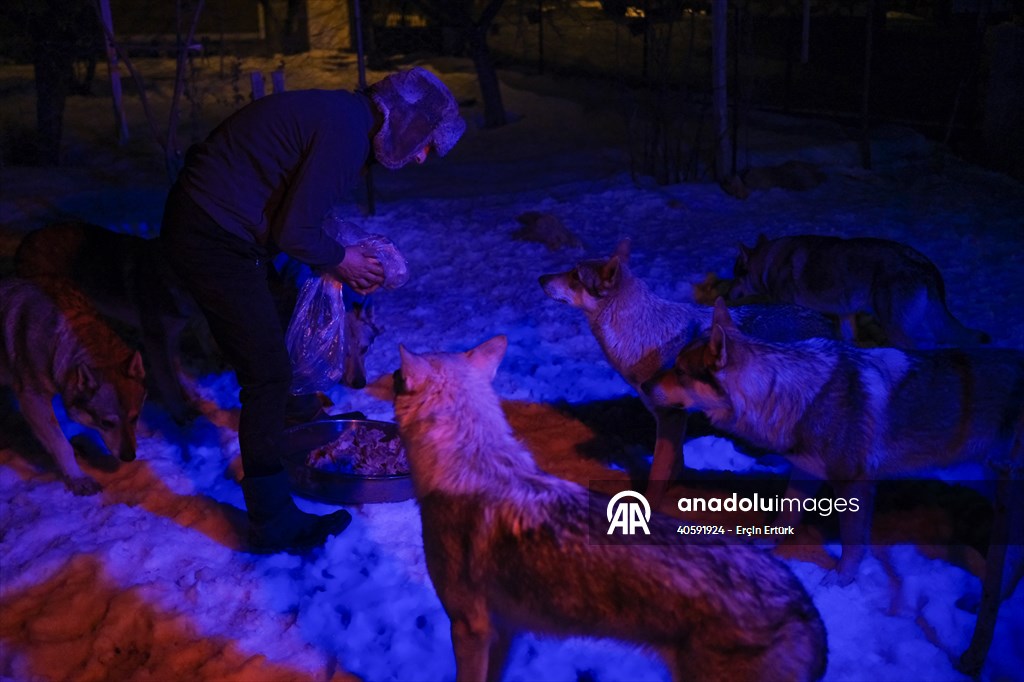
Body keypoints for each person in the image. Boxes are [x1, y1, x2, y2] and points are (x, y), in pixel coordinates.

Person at [161, 67, 465, 553]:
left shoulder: (345, 120)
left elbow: (299, 208)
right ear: (407, 124)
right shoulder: (346, 133)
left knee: (275, 331)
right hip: (212, 234)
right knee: (266, 373)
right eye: (427, 144)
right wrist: (342, 260)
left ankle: (296, 433)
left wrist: (341, 249)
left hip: (220, 227)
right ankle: (272, 519)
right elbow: (295, 232)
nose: (423, 158)